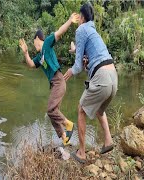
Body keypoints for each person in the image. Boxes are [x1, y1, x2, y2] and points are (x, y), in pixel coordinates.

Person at [63, 3, 118, 163]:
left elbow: (79, 66)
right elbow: (90, 57)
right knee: (100, 110)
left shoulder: (81, 29)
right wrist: (76, 51)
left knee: (81, 109)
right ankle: (108, 141)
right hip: (113, 76)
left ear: (82, 17)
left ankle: (81, 152)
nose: (78, 20)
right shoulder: (93, 31)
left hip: (102, 77)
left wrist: (69, 72)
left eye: (79, 17)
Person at [19, 13, 79, 145]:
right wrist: (26, 53)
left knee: (51, 110)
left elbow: (59, 33)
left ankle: (68, 124)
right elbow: (31, 64)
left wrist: (69, 21)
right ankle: (65, 139)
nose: (33, 44)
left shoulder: (46, 44)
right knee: (53, 114)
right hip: (54, 84)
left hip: (58, 80)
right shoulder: (40, 56)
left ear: (37, 38)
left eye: (33, 41)